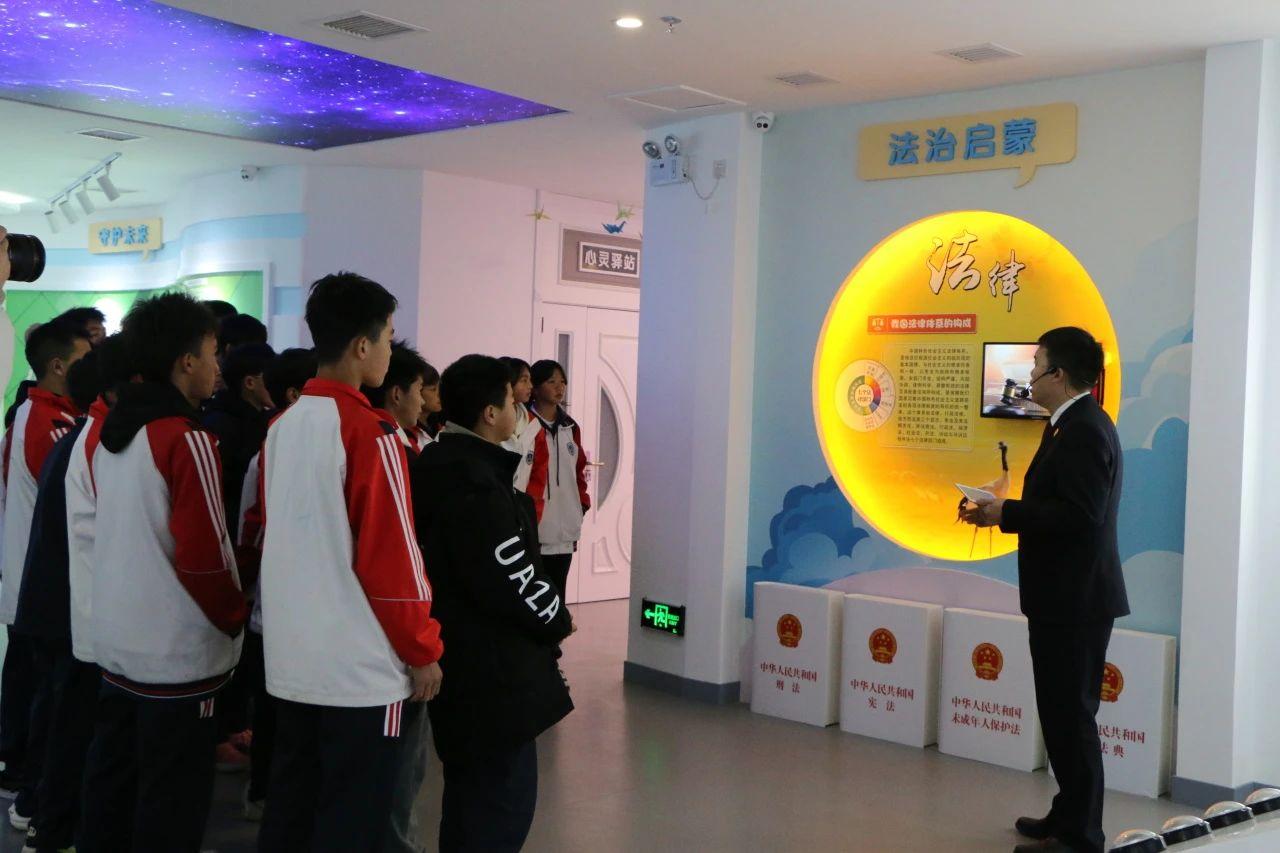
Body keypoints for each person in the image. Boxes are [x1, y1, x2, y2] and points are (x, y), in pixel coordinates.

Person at [256, 272, 442, 853]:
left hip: (293, 661)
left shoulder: (282, 427)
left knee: (293, 811)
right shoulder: (372, 432)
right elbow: (391, 559)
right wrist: (422, 648)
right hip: (359, 673)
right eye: (387, 336)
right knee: (358, 822)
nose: (389, 349)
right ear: (362, 345)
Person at [79, 293, 249, 853]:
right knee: (172, 802)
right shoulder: (186, 437)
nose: (218, 367)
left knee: (113, 789)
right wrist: (234, 618)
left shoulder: (112, 432)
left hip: (119, 644)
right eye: (213, 353)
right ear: (185, 361)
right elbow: (204, 555)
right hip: (175, 655)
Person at [961, 327, 1129, 853]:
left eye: (1035, 365)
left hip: (1075, 601)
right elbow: (1059, 505)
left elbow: (1080, 515)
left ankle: (1081, 836)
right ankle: (1066, 814)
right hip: (1062, 597)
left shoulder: (1084, 430)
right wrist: (1002, 510)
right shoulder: (1066, 426)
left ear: (1058, 375)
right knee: (1059, 715)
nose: (1028, 375)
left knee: (1072, 718)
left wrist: (1006, 513)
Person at [411, 355, 573, 852]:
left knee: (468, 799)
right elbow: (513, 576)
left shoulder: (435, 465)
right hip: (492, 674)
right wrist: (557, 618)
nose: (518, 408)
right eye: (510, 399)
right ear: (489, 413)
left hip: (460, 660)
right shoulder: (476, 484)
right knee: (501, 804)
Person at [12, 339, 122, 853]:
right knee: (67, 723)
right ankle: (49, 823)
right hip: (64, 609)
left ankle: (41, 814)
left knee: (57, 717)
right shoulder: (83, 438)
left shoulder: (74, 434)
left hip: (50, 602)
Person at [0, 320, 90, 827]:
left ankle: (29, 792)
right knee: (47, 701)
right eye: (85, 358)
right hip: (44, 586)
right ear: (58, 366)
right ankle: (33, 801)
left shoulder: (38, 415)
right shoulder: (50, 423)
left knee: (39, 693)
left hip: (31, 580)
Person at [236, 347, 317, 822]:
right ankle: (268, 792)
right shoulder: (274, 446)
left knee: (280, 709)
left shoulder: (276, 444)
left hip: (283, 604)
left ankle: (270, 793)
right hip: (282, 605)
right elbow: (251, 525)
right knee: (278, 710)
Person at [202, 341, 276, 773]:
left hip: (239, 552)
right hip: (232, 551)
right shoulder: (219, 428)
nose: (214, 368)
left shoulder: (256, 424)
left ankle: (232, 727)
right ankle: (222, 732)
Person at [525, 359, 590, 599]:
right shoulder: (526, 425)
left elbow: (578, 470)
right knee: (536, 595)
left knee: (558, 595)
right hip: (537, 527)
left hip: (566, 526)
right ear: (535, 387)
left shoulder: (570, 427)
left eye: (562, 382)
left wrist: (582, 504)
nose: (559, 387)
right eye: (551, 381)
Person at [362, 340, 428, 458]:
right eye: (419, 390)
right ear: (397, 394)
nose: (422, 402)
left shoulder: (363, 437)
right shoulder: (398, 453)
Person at [498, 357, 542, 496]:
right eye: (524, 380)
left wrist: (530, 506)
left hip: (521, 503)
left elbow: (538, 473)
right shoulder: (488, 419)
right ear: (508, 382)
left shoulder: (533, 424)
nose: (530, 386)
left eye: (530, 380)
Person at [415, 362, 443, 446]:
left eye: (440, 388)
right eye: (433, 389)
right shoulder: (407, 430)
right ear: (417, 390)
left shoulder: (441, 424)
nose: (440, 394)